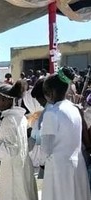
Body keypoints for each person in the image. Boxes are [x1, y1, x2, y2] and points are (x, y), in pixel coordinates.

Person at [0, 81, 38, 200]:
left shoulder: (9, 120)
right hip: (21, 165)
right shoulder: (19, 117)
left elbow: (9, 150)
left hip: (12, 168)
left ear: (6, 100)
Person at [40, 66, 91, 200]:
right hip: (77, 165)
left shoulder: (51, 113)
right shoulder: (74, 109)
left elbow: (46, 148)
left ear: (50, 93)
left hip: (59, 169)